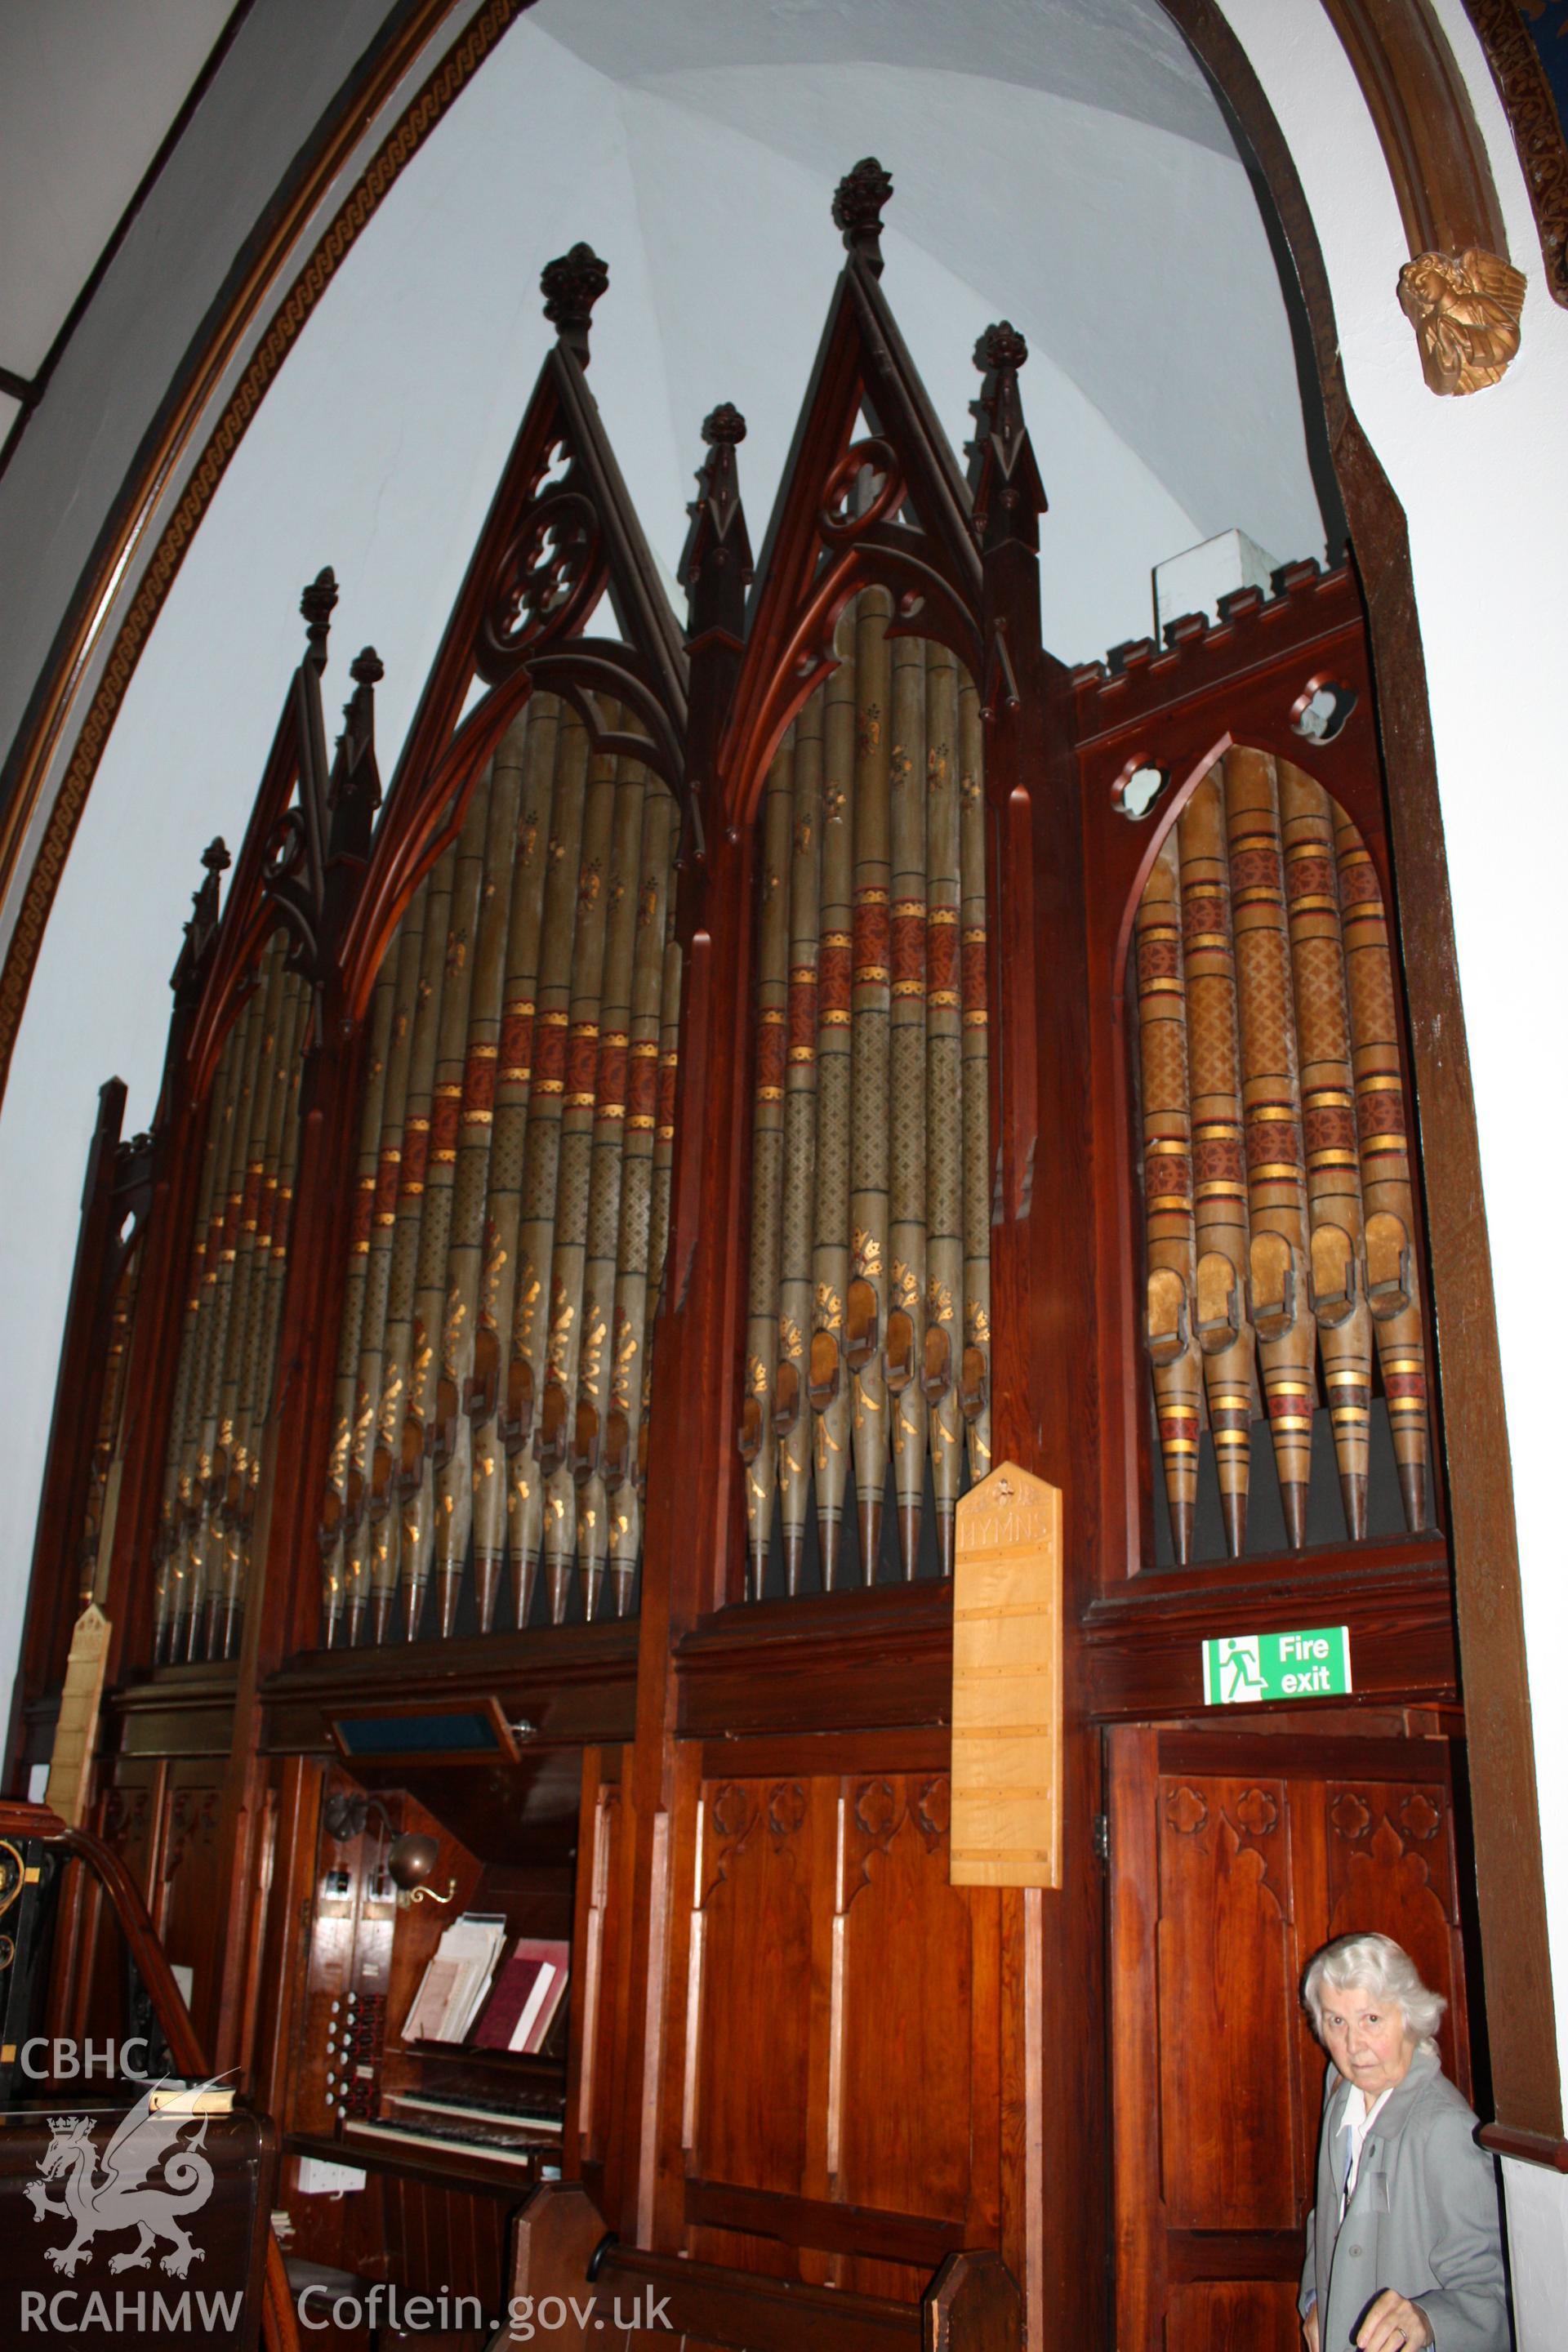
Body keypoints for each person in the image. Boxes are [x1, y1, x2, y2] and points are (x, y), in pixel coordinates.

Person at [1299, 1933, 1508, 2352]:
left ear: (1410, 2016)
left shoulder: (1444, 2129)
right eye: (1337, 2022)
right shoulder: (1341, 2090)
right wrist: (1316, 2298)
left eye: (1371, 2020)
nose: (1353, 2045)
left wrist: (1427, 2321)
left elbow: (1494, 2293)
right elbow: (1326, 2213)